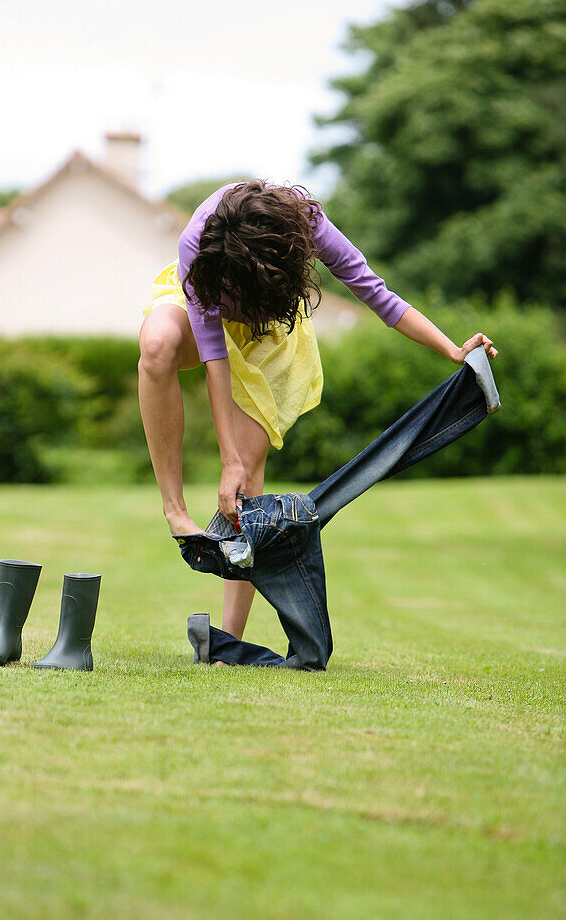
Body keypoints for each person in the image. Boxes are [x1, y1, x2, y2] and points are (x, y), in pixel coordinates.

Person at [138, 180, 497, 641]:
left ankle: (228, 640)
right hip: (211, 312)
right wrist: (222, 458)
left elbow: (376, 293)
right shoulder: (201, 250)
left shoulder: (305, 225)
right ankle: (174, 510)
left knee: (245, 475)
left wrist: (451, 349)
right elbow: (214, 359)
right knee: (157, 344)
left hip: (273, 328)